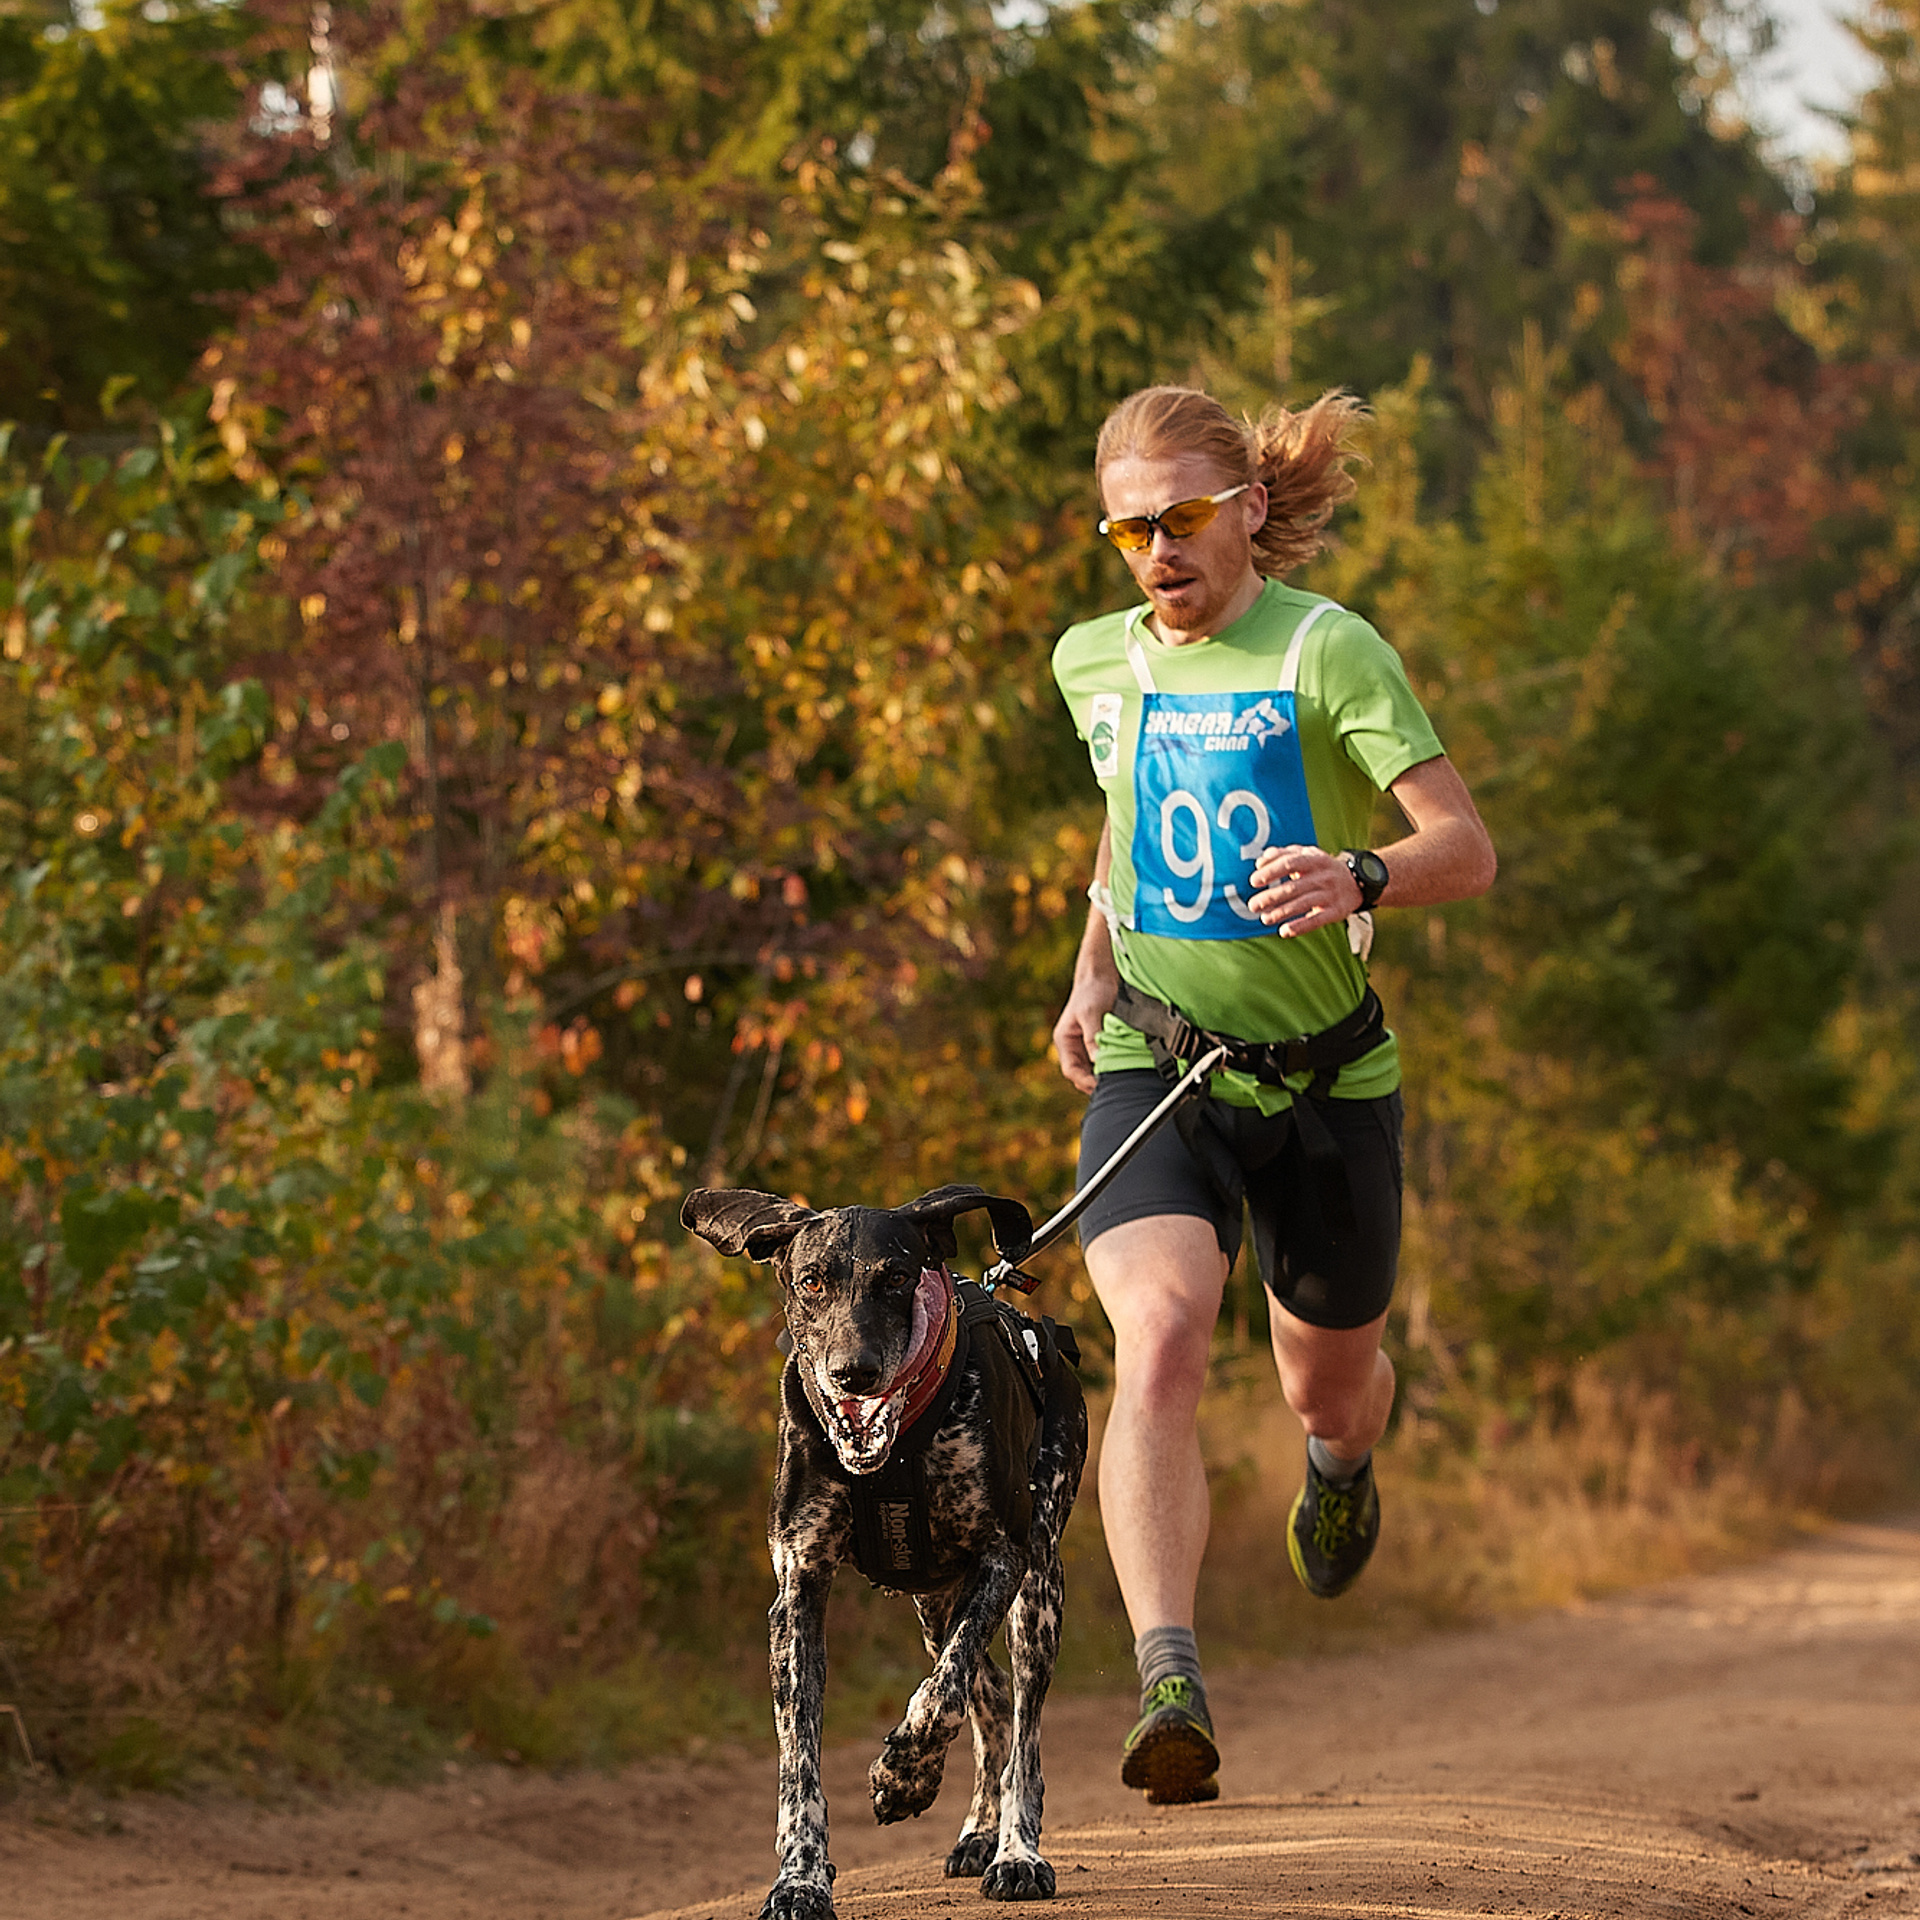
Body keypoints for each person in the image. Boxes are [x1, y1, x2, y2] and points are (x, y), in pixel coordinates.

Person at [1049, 385, 1496, 1807]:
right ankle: (1168, 1676)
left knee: (1328, 1385)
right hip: (1159, 1064)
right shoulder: (1093, 661)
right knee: (1161, 1336)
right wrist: (1090, 977)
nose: (1156, 552)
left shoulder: (1326, 649)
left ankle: (1342, 1461)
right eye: (1128, 530)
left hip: (1323, 1081)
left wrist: (1360, 875)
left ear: (1245, 510)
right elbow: (1124, 828)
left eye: (1181, 519)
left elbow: (1465, 848)